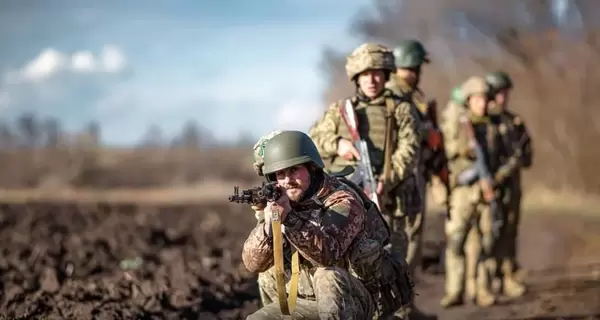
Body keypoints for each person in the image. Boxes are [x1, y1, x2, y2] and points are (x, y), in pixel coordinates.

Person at [243, 130, 414, 319]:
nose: (288, 181)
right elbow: (252, 264)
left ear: (311, 168)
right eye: (280, 174)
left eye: (294, 170)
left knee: (328, 276)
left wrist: (290, 219)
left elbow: (327, 254)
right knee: (264, 285)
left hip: (356, 301)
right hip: (307, 298)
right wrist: (269, 224)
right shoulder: (283, 201)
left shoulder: (343, 200)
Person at [308, 42, 422, 266]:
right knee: (348, 258)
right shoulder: (340, 110)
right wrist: (337, 143)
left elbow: (409, 151)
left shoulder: (401, 109)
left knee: (394, 261)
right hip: (348, 197)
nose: (371, 80)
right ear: (356, 78)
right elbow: (313, 140)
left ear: (386, 75)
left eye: (377, 74)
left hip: (390, 195)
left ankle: (399, 301)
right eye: (366, 75)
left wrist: (386, 180)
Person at [439, 76, 510, 308]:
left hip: (485, 190)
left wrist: (494, 179)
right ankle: (455, 290)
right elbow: (445, 150)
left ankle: (482, 289)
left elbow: (501, 157)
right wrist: (462, 149)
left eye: (485, 98)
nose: (481, 103)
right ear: (469, 100)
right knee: (457, 240)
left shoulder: (492, 125)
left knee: (486, 240)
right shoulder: (457, 122)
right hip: (462, 190)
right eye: (477, 98)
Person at [386, 39, 450, 279]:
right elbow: (403, 130)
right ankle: (399, 308)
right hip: (404, 174)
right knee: (404, 236)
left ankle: (405, 303)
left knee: (412, 237)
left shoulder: (411, 95)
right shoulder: (395, 94)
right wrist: (427, 132)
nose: (418, 73)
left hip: (416, 170)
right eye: (415, 68)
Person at [486, 71, 533, 298]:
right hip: (491, 186)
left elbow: (527, 158)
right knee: (490, 232)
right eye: (501, 92)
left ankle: (508, 275)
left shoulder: (514, 122)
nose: (505, 97)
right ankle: (490, 278)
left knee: (510, 231)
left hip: (511, 187)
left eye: (506, 92)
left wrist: (517, 158)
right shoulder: (484, 121)